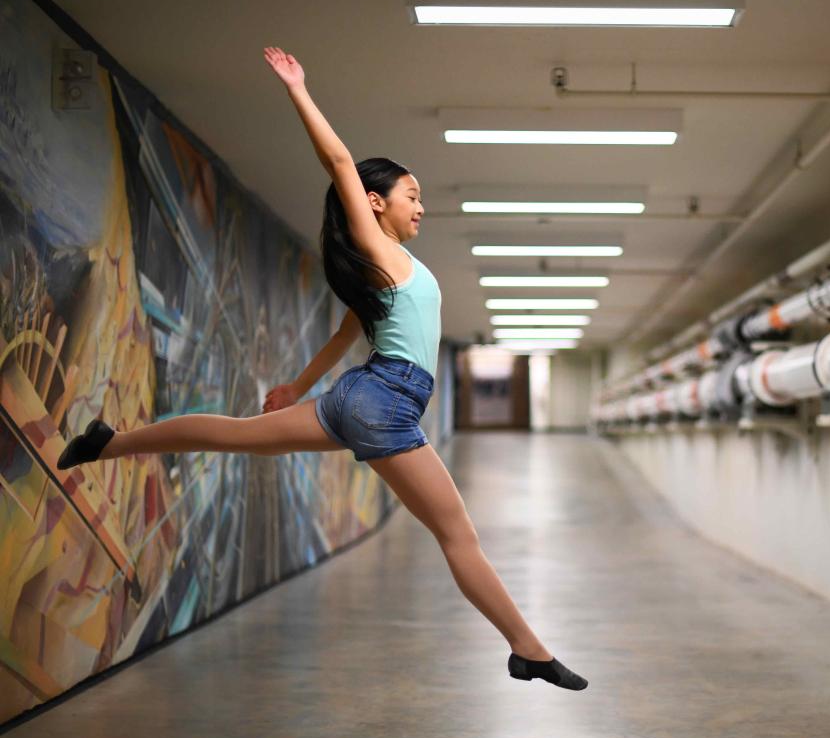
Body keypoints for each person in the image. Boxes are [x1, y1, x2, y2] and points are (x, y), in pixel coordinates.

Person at [56, 46, 587, 692]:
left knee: (229, 432)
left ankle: (110, 444)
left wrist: (296, 389)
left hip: (359, 397)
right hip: (386, 400)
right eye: (411, 196)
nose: (420, 207)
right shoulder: (380, 250)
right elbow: (338, 161)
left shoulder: (383, 274)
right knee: (459, 536)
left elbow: (344, 335)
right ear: (374, 203)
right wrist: (298, 89)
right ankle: (526, 647)